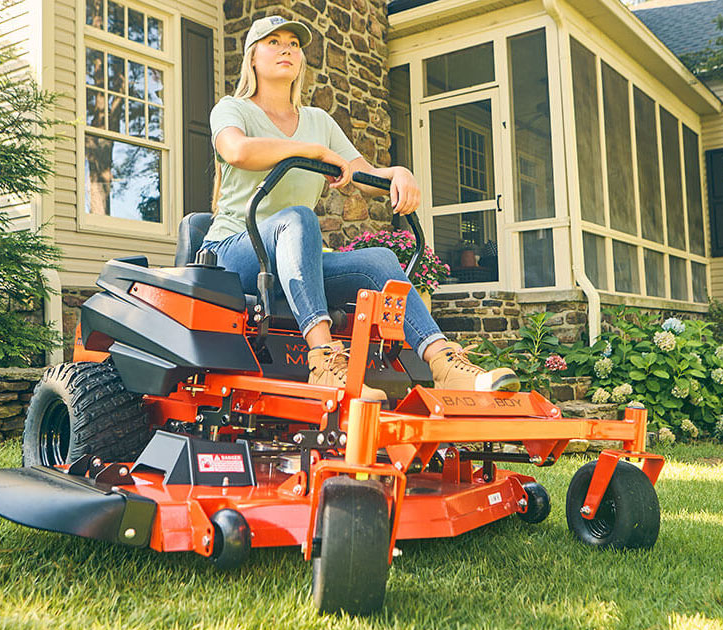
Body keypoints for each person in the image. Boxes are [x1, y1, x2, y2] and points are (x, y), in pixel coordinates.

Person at [202, 16, 519, 400]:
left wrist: (398, 174)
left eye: (294, 43)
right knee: (299, 218)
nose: (286, 48)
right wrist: (310, 150)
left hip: (293, 257)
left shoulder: (318, 121)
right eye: (273, 42)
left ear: (301, 60)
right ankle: (323, 362)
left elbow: (363, 176)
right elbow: (236, 150)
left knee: (378, 260)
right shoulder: (233, 109)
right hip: (233, 254)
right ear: (253, 57)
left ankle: (443, 362)